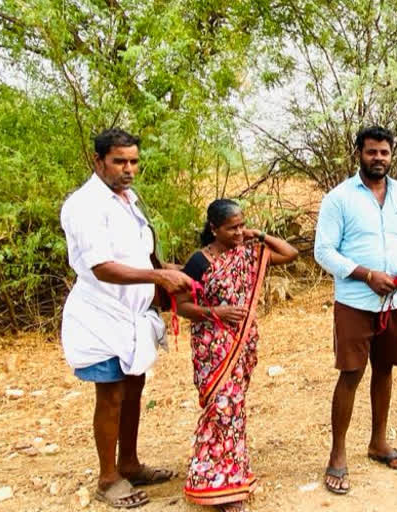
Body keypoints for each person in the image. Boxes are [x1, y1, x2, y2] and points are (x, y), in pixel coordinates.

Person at [60, 128, 194, 508]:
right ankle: (107, 478)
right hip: (100, 315)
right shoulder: (84, 205)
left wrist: (171, 269)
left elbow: (139, 254)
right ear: (97, 160)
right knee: (112, 395)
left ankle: (130, 463)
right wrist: (157, 277)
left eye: (134, 161)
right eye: (120, 161)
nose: (129, 168)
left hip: (133, 314)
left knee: (134, 388)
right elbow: (100, 266)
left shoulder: (128, 199)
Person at [314, 125, 397, 495]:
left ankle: (379, 442)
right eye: (371, 152)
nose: (378, 158)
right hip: (355, 302)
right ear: (358, 153)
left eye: (384, 152)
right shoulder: (339, 198)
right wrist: (365, 275)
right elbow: (324, 251)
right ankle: (337, 455)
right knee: (350, 374)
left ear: (392, 154)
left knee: (385, 370)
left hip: (396, 300)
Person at [175, 199, 297, 512]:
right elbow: (182, 304)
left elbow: (289, 253)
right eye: (233, 228)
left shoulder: (248, 252)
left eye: (242, 224)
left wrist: (260, 235)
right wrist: (214, 312)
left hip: (242, 344)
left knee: (234, 410)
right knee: (222, 410)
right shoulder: (199, 262)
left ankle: (228, 477)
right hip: (212, 347)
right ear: (214, 229)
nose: (239, 232)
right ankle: (219, 486)